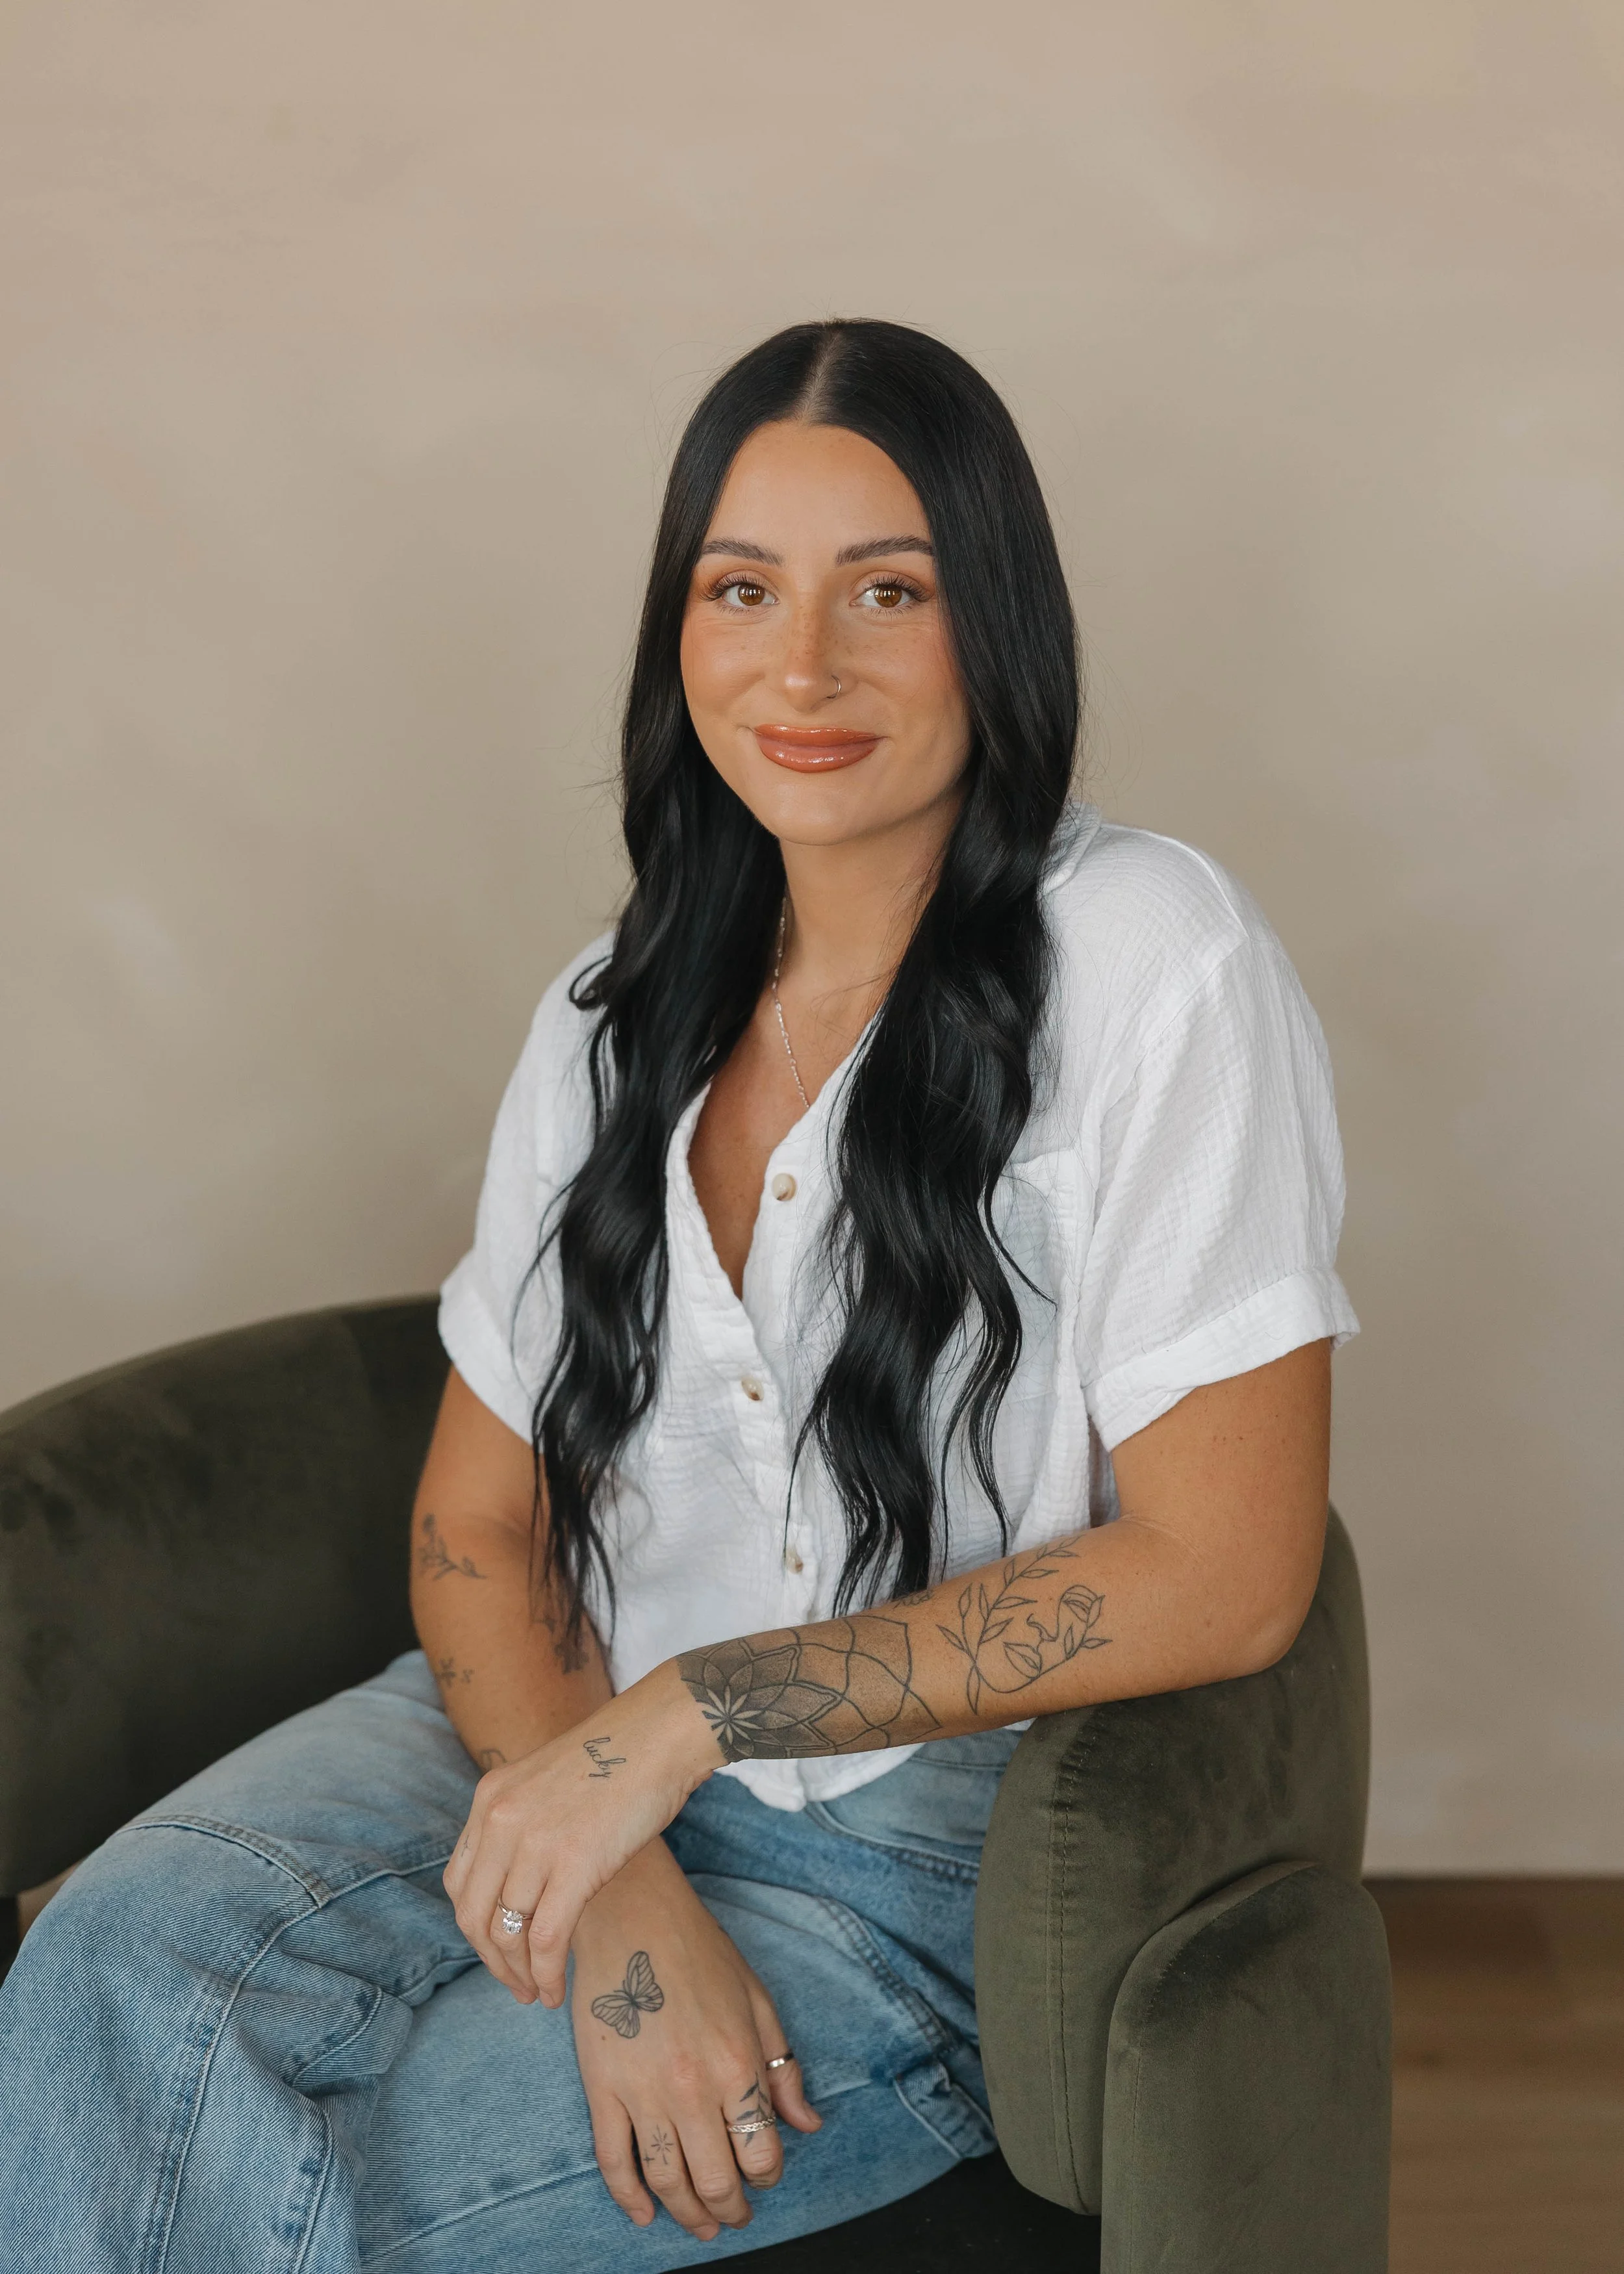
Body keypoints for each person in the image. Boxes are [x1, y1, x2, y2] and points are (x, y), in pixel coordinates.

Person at [0, 318, 1357, 2271]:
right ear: (680, 634)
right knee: (93, 1983)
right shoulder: (609, 1009)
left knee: (326, 2209)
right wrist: (613, 1836)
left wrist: (686, 1725)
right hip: (524, 1734)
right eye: (742, 591)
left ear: (995, 624)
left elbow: (1230, 1570)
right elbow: (477, 1519)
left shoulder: (1151, 959)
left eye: (886, 591)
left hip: (896, 1848)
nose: (802, 669)